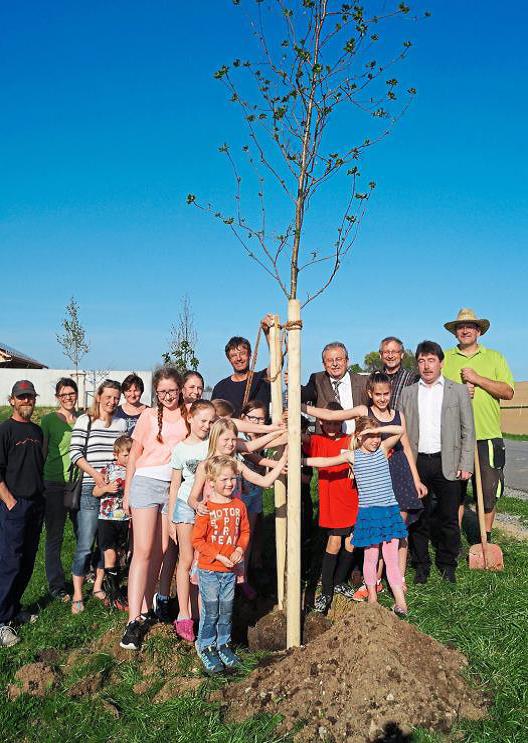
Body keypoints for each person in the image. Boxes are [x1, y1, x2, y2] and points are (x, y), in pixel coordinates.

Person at [305, 371, 427, 593]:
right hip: (374, 473)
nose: (382, 398)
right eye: (378, 394)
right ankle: (376, 578)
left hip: (398, 470)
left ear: (391, 393)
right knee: (376, 528)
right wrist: (303, 408)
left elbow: (407, 446)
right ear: (370, 393)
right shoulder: (364, 411)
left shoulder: (399, 415)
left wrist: (416, 479)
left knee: (399, 528)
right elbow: (332, 416)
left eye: (386, 394)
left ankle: (398, 578)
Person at [175, 418, 286, 635]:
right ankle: (202, 630)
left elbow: (262, 481)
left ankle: (224, 634)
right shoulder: (205, 466)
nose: (231, 444)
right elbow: (192, 497)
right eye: (226, 439)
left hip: (231, 535)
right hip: (211, 534)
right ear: (216, 439)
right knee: (207, 583)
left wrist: (282, 462)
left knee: (227, 586)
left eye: (234, 439)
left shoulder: (236, 464)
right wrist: (199, 507)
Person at [303, 417, 409, 616]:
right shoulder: (353, 456)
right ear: (359, 437)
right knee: (370, 557)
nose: (375, 440)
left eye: (377, 436)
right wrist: (300, 461)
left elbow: (400, 429)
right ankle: (372, 597)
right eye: (369, 437)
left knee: (391, 557)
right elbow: (325, 461)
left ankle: (401, 602)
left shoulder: (383, 449)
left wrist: (377, 429)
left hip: (389, 512)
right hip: (369, 514)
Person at [120, 367, 188, 651]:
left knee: (161, 551)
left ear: (181, 389)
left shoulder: (189, 413)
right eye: (162, 392)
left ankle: (148, 606)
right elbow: (135, 455)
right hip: (146, 483)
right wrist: (127, 492)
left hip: (172, 488)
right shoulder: (148, 416)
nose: (167, 396)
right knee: (144, 550)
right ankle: (133, 620)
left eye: (172, 390)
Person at [399, 341, 475, 583]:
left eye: (431, 360)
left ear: (441, 363)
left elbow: (468, 431)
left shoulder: (458, 391)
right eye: (421, 361)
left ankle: (447, 564)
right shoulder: (408, 393)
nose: (426, 366)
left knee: (449, 517)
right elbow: (401, 432)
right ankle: (421, 565)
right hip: (418, 463)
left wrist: (466, 464)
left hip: (449, 463)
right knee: (418, 517)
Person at [442, 308, 514, 539]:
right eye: (460, 327)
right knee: (455, 492)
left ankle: (486, 538)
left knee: (488, 491)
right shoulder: (445, 358)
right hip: (455, 437)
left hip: (487, 435)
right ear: (455, 333)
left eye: (470, 326)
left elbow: (508, 391)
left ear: (478, 331)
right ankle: (453, 541)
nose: (465, 330)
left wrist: (477, 379)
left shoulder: (495, 357)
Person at [69, 379, 127, 614]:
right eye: (108, 397)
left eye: (116, 397)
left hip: (114, 494)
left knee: (106, 544)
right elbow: (75, 453)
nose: (112, 401)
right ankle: (77, 592)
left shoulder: (121, 423)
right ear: (99, 397)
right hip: (90, 488)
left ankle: (99, 586)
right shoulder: (86, 420)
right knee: (85, 543)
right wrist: (95, 475)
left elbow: (127, 452)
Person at [191, 455, 250, 674]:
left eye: (232, 479)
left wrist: (238, 550)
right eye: (224, 479)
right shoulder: (206, 508)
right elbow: (196, 540)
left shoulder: (239, 506)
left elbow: (245, 531)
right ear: (212, 481)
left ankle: (223, 644)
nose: (229, 483)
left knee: (226, 609)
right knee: (211, 610)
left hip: (230, 570)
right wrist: (218, 556)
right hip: (210, 569)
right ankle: (205, 645)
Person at [302, 403, 359, 614]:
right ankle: (326, 592)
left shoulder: (349, 440)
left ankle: (339, 581)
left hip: (352, 499)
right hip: (332, 502)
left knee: (351, 542)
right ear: (321, 422)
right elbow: (303, 438)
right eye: (328, 422)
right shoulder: (318, 441)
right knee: (334, 542)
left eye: (337, 422)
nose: (333, 426)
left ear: (343, 422)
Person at [168, 399, 217, 642]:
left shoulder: (213, 445)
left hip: (208, 510)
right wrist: (169, 519)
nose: (207, 426)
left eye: (211, 421)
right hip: (185, 509)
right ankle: (183, 613)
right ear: (190, 418)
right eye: (202, 421)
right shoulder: (180, 449)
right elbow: (175, 484)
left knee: (201, 562)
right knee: (186, 559)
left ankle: (200, 614)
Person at [0, 381, 45, 647]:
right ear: (12, 401)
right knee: (9, 562)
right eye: (22, 397)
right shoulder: (5, 430)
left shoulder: (37, 431)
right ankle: (1, 621)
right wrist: (10, 501)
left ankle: (14, 609)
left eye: (30, 397)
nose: (26, 401)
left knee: (27, 561)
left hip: (35, 504)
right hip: (14, 505)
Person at [41, 377, 79, 601]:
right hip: (54, 482)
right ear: (58, 397)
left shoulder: (83, 419)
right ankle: (57, 585)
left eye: (71, 393)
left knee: (82, 532)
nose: (68, 398)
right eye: (63, 395)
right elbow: (43, 451)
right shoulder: (48, 420)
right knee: (55, 536)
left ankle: (82, 573)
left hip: (76, 483)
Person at [93, 435, 132, 610]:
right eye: (126, 454)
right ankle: (114, 594)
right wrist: (106, 488)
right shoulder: (108, 469)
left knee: (122, 553)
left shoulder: (135, 470)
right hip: (107, 518)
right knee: (110, 555)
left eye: (132, 454)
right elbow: (95, 491)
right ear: (116, 455)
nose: (129, 458)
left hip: (125, 519)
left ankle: (119, 590)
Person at [211, 315, 274, 417]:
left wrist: (267, 333)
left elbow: (277, 363)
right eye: (234, 355)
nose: (239, 358)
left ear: (250, 355)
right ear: (229, 359)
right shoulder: (220, 388)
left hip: (262, 432)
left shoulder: (262, 379)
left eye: (243, 353)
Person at [301, 342, 368, 433]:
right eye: (329, 360)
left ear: (347, 361)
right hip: (327, 443)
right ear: (324, 364)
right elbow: (304, 395)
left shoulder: (363, 381)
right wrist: (293, 384)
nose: (335, 364)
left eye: (338, 359)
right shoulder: (317, 380)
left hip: (356, 442)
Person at [378, 336, 419, 409]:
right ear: (380, 355)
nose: (390, 356)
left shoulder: (413, 379)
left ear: (402, 354)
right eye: (386, 352)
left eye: (394, 352)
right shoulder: (374, 378)